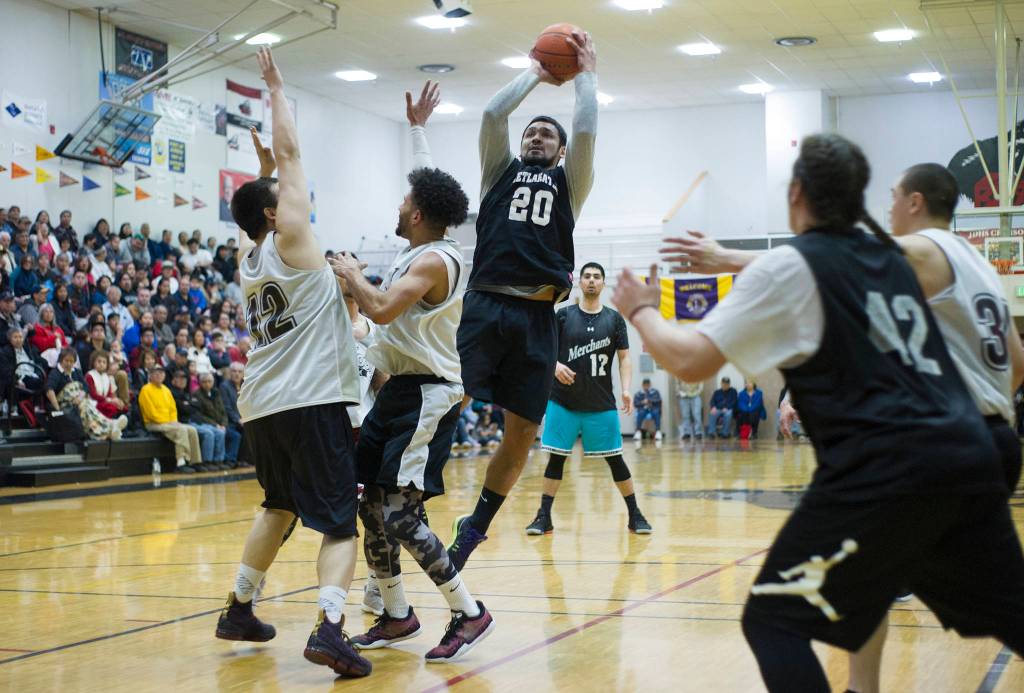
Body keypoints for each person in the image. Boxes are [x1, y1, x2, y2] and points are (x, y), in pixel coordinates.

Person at [617, 133, 1024, 693]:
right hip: (968, 450)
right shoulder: (887, 261)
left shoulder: (804, 265)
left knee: (773, 620)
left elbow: (687, 360)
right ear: (859, 198)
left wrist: (640, 309)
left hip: (887, 469)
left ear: (797, 193)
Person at [214, 47, 370, 679]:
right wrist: (276, 89)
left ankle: (239, 609)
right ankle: (331, 629)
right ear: (276, 216)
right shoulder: (298, 242)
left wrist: (260, 177)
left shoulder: (249, 260)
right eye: (281, 198)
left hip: (263, 404)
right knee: (340, 524)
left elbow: (258, 207)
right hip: (310, 399)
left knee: (278, 506)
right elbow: (293, 157)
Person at [330, 81, 494, 663]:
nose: (399, 204)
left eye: (406, 202)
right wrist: (418, 128)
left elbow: (377, 308)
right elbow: (429, 181)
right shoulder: (421, 242)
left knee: (399, 513)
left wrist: (350, 273)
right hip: (398, 389)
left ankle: (469, 611)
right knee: (369, 502)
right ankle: (397, 615)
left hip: (429, 392)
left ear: (418, 215)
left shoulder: (432, 258)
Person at [448, 29, 598, 570]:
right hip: (485, 306)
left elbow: (585, 129)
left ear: (559, 153)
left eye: (546, 135)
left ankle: (475, 528)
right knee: (448, 402)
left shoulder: (570, 185)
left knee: (521, 435)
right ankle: (410, 491)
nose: (536, 137)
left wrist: (585, 77)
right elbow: (492, 114)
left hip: (538, 316)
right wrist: (536, 73)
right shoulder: (498, 174)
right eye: (531, 132)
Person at [525, 261, 651, 536]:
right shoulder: (562, 316)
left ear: (603, 284)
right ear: (579, 283)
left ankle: (635, 514)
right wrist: (555, 366)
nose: (592, 280)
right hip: (563, 402)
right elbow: (543, 349)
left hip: (600, 403)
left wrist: (627, 389)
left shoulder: (615, 319)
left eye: (597, 277)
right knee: (556, 460)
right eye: (587, 276)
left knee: (616, 459)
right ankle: (543, 516)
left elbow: (625, 359)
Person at [139, 365, 201, 472]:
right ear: (150, 375)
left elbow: (173, 409)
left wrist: (173, 421)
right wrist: (168, 422)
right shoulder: (145, 390)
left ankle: (194, 461)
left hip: (168, 423)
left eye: (161, 373)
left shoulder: (166, 390)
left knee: (192, 430)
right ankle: (181, 462)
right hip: (153, 424)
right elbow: (150, 413)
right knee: (181, 430)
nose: (159, 375)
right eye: (156, 373)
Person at [195, 372, 239, 468]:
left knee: (234, 435)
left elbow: (223, 411)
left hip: (221, 424)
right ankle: (209, 461)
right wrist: (215, 425)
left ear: (213, 382)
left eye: (209, 381)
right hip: (206, 423)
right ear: (200, 383)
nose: (207, 384)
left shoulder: (216, 392)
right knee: (217, 433)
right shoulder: (197, 394)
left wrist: (223, 424)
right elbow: (200, 415)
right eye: (204, 382)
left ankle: (220, 461)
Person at [220, 362, 248, 468]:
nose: (237, 374)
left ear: (243, 374)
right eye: (234, 371)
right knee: (239, 432)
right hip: (228, 421)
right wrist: (238, 419)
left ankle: (245, 459)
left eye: (240, 372)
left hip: (242, 418)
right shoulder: (224, 386)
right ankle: (232, 460)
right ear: (230, 373)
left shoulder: (245, 386)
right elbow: (227, 408)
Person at [85, 350, 128, 420]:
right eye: (99, 361)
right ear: (93, 362)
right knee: (111, 408)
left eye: (104, 362)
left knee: (122, 406)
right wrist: (110, 400)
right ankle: (112, 424)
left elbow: (109, 393)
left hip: (105, 401)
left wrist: (115, 400)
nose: (101, 364)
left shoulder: (106, 377)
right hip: (94, 402)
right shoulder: (90, 375)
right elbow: (93, 395)